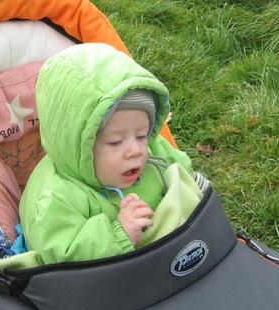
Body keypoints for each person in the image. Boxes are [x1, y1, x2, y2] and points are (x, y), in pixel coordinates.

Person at [18, 42, 203, 265]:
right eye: (116, 142)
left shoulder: (150, 151)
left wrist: (191, 184)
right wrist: (120, 234)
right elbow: (63, 256)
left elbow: (179, 168)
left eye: (142, 135)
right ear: (82, 147)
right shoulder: (55, 197)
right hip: (115, 276)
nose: (136, 150)